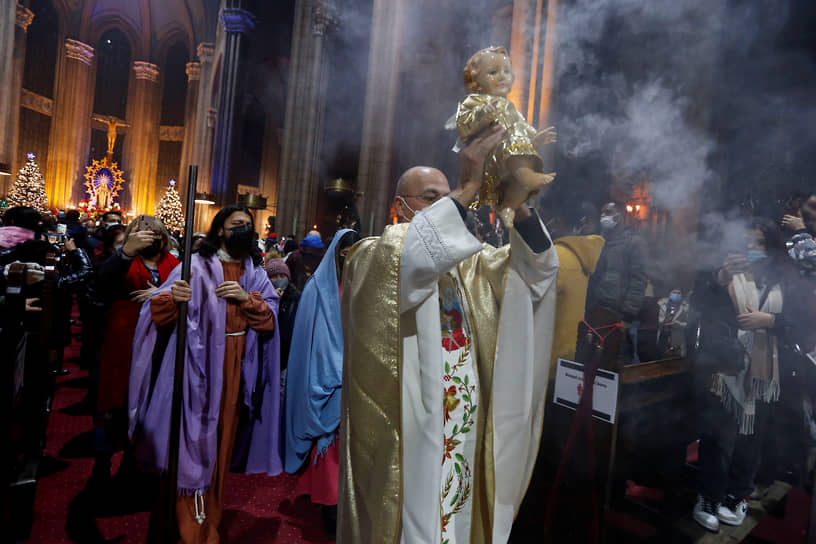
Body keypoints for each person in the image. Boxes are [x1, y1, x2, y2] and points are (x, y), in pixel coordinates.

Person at [337, 125, 559, 543]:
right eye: (432, 198)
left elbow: (535, 274)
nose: (449, 204)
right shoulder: (370, 255)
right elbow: (411, 259)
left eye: (449, 195)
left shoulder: (471, 267)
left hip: (464, 426)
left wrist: (519, 205)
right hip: (409, 434)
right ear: (401, 209)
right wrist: (468, 184)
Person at [129, 205, 282, 543]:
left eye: (248, 224)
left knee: (222, 445)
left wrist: (248, 299)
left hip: (234, 368)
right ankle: (187, 529)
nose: (244, 228)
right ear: (220, 231)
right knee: (192, 442)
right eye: (236, 224)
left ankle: (209, 521)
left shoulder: (253, 270)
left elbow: (270, 318)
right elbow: (158, 308)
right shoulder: (196, 265)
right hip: (196, 371)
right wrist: (174, 298)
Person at [692, 218, 801, 532]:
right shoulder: (725, 272)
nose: (752, 250)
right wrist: (719, 278)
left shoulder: (785, 278)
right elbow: (699, 306)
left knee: (752, 436)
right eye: (747, 243)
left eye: (759, 243)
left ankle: (737, 495)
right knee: (717, 435)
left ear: (771, 247)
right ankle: (708, 497)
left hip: (766, 368)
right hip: (727, 363)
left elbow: (801, 322)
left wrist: (770, 320)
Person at [89, 216, 179, 493]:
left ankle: (139, 464)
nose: (151, 239)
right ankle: (102, 465)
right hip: (122, 340)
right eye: (144, 234)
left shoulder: (174, 265)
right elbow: (99, 287)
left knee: (151, 402)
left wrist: (162, 294)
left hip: (161, 341)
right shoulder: (123, 260)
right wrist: (125, 252)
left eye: (156, 234)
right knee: (115, 403)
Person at [284, 229, 360, 537]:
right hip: (328, 382)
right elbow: (307, 342)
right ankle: (331, 512)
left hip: (359, 379)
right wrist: (331, 371)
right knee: (330, 453)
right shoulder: (317, 289)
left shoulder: (367, 288)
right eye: (346, 253)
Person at [452, 46, 556, 222]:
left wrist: (534, 138)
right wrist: (484, 112)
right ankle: (526, 175)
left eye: (506, 71)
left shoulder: (508, 106)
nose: (502, 76)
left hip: (509, 156)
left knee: (517, 187)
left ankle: (509, 208)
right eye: (493, 72)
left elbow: (521, 124)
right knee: (519, 166)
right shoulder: (474, 101)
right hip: (489, 157)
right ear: (476, 81)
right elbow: (463, 125)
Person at [586, 201, 649, 363]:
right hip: (598, 308)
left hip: (620, 312)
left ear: (619, 217)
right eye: (602, 213)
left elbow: (639, 280)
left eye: (607, 212)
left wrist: (628, 315)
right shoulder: (600, 241)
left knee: (618, 360)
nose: (603, 217)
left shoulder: (634, 243)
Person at [656, 288, 689, 357]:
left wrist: (677, 323)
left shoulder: (686, 307)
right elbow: (655, 319)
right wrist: (663, 321)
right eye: (674, 292)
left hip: (677, 336)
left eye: (678, 293)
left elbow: (688, 324)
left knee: (675, 359)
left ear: (682, 295)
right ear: (669, 293)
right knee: (660, 356)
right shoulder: (660, 304)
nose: (676, 294)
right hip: (663, 335)